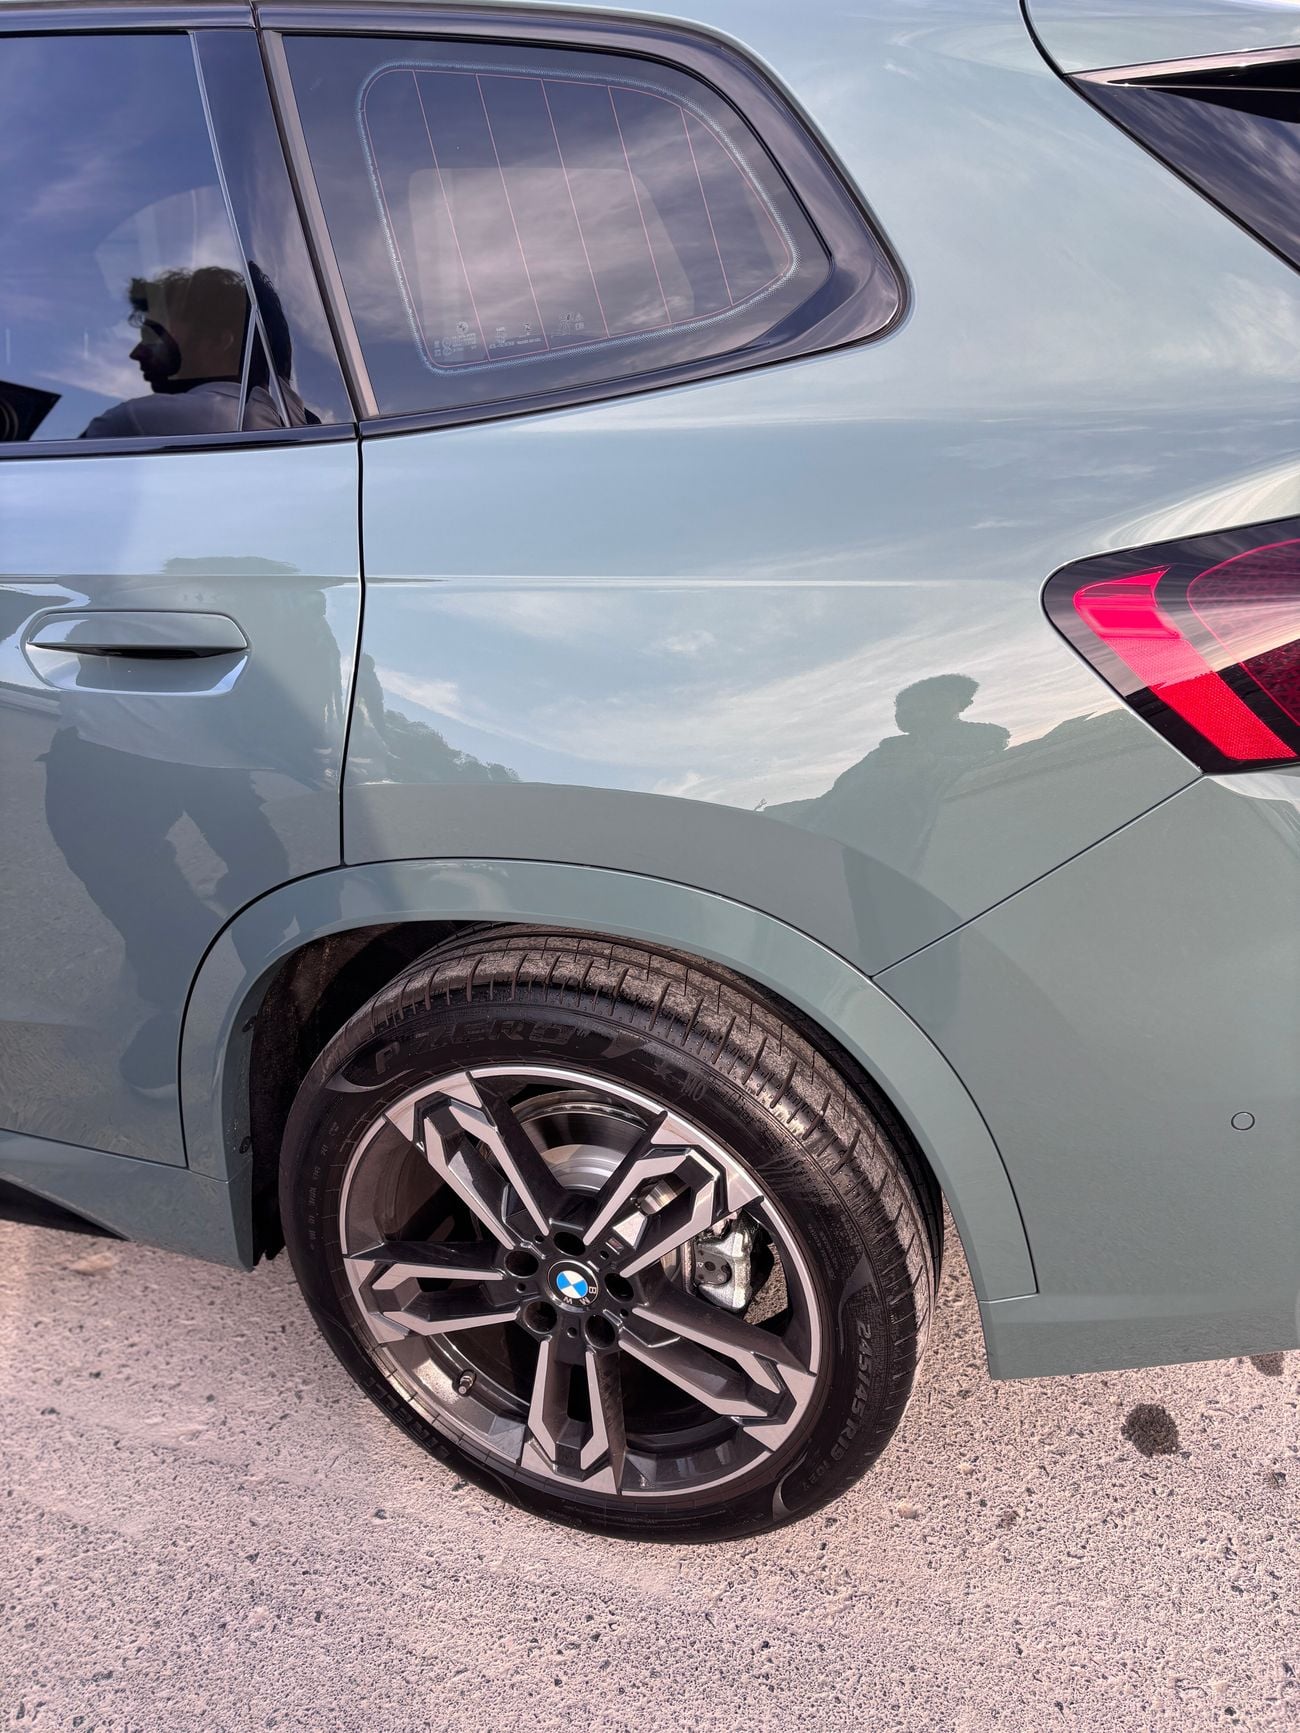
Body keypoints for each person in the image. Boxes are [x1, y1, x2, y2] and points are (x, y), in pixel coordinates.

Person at [81, 264, 309, 437]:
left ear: (218, 341)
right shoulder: (290, 422)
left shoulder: (135, 420)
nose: (137, 353)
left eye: (154, 335)